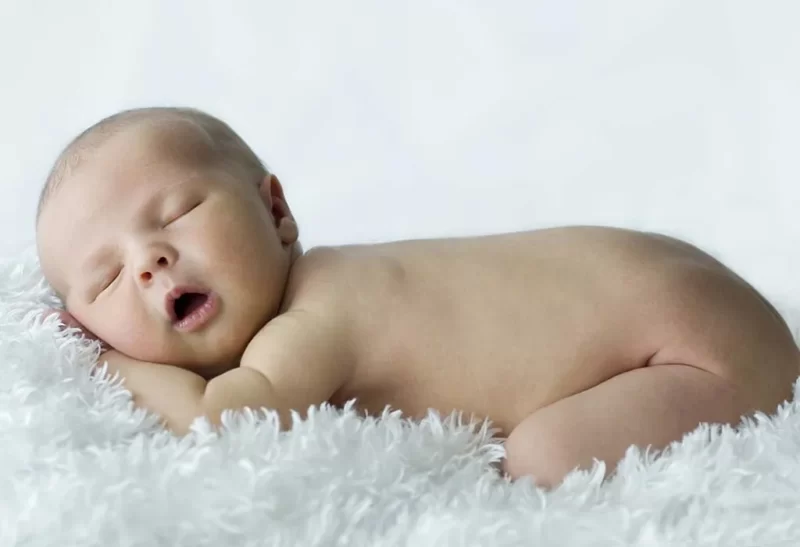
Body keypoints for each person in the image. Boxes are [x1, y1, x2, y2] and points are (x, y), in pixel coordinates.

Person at [35, 107, 800, 488]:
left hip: (697, 349)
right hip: (685, 291)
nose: (150, 261)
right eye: (106, 279)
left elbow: (219, 422)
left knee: (542, 461)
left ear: (276, 211)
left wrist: (106, 360)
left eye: (175, 214)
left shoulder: (315, 317)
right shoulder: (345, 279)